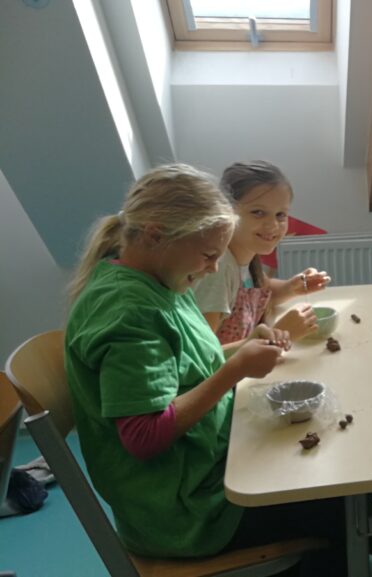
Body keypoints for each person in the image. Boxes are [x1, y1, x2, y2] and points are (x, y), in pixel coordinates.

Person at [64, 164, 347, 574]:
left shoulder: (161, 277)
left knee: (327, 470)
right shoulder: (128, 314)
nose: (215, 269)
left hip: (206, 467)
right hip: (185, 513)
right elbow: (143, 436)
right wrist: (235, 371)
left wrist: (247, 347)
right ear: (156, 235)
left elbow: (192, 363)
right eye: (210, 255)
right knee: (336, 504)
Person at [193, 160, 331, 347]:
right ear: (226, 211)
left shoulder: (248, 256)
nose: (272, 225)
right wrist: (278, 336)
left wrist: (292, 287)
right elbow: (204, 356)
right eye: (258, 212)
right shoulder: (218, 270)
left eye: (280, 215)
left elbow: (261, 293)